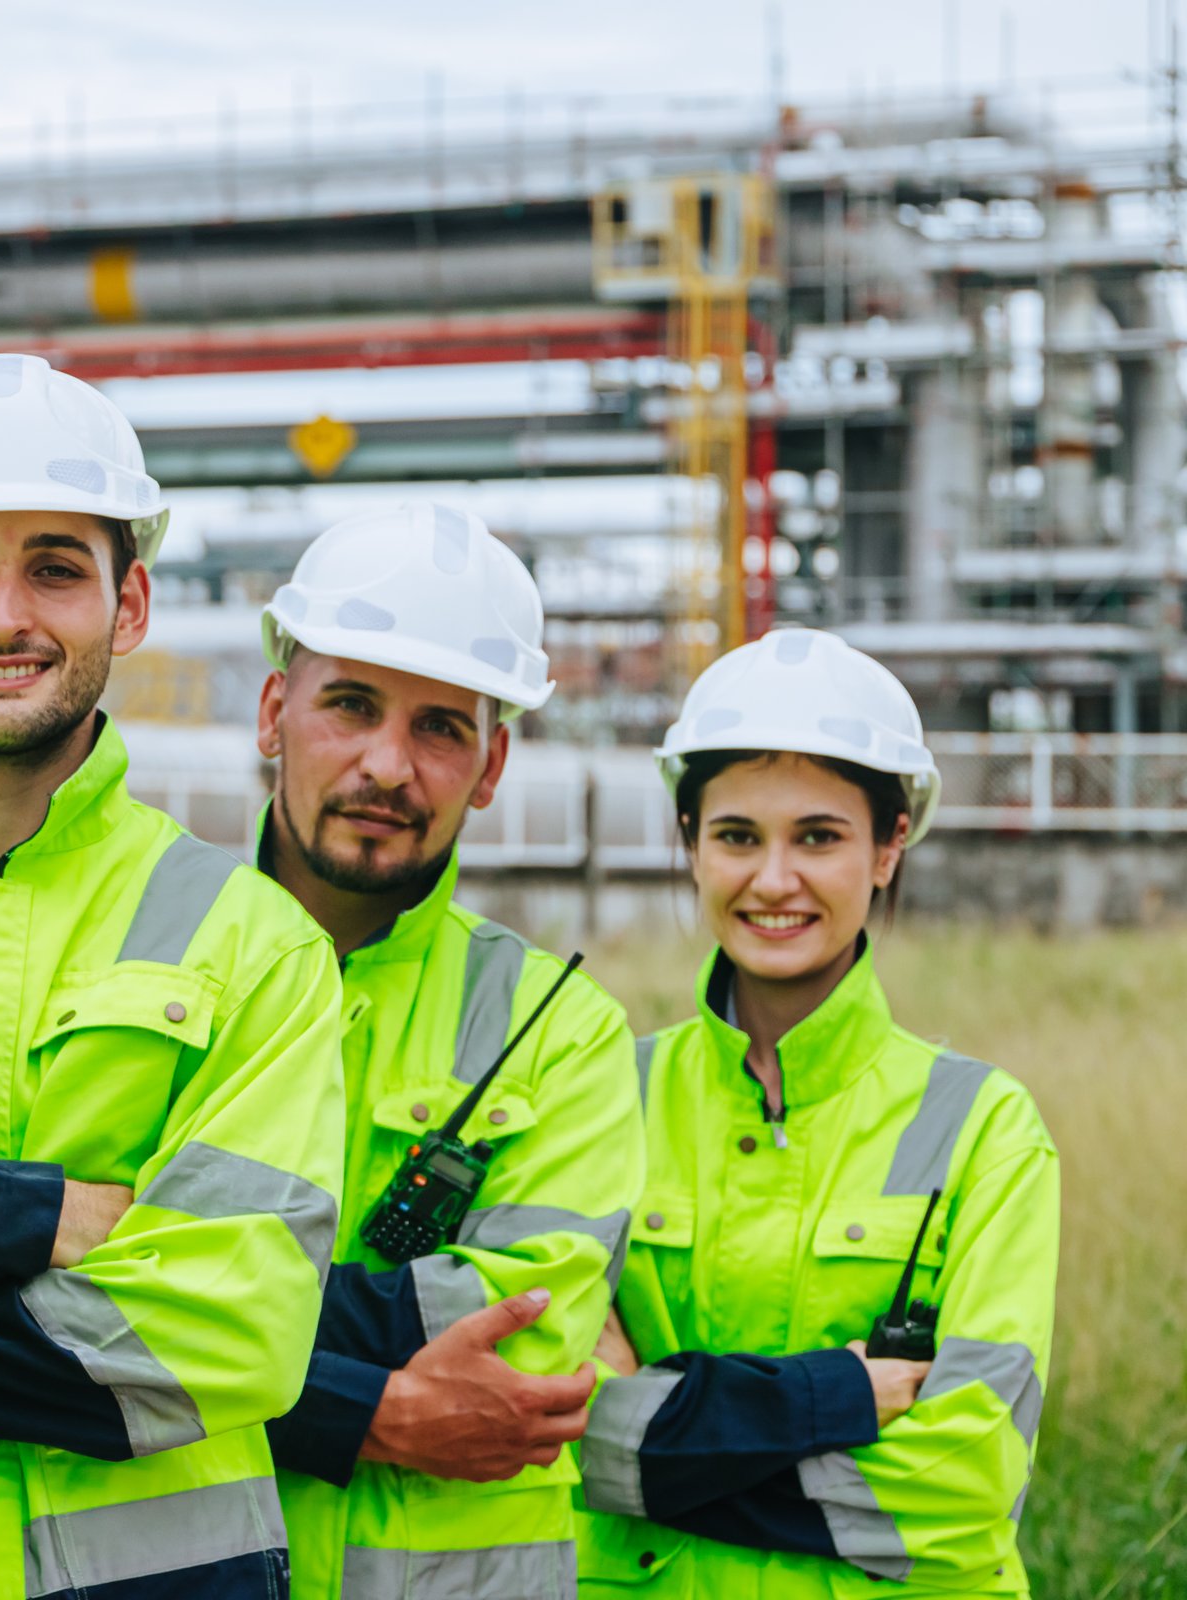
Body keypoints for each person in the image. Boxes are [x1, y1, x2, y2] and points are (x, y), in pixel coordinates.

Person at [0, 352, 347, 1599]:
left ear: (129, 607)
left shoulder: (252, 943)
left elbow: (234, 1333)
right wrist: (50, 1221)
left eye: (55, 567)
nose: (6, 614)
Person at [577, 628, 1058, 1597]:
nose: (774, 880)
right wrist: (830, 1405)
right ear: (690, 843)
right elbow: (551, 1431)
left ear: (890, 846)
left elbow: (965, 1485)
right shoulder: (596, 1101)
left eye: (820, 836)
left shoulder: (985, 1130)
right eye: (738, 835)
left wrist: (654, 1456)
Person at [254, 503, 645, 1598]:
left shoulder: (563, 1031)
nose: (389, 763)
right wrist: (366, 1410)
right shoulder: (145, 965)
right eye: (351, 705)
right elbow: (60, 1315)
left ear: (491, 764)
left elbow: (529, 1340)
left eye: (441, 727)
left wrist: (203, 1296)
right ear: (274, 711)